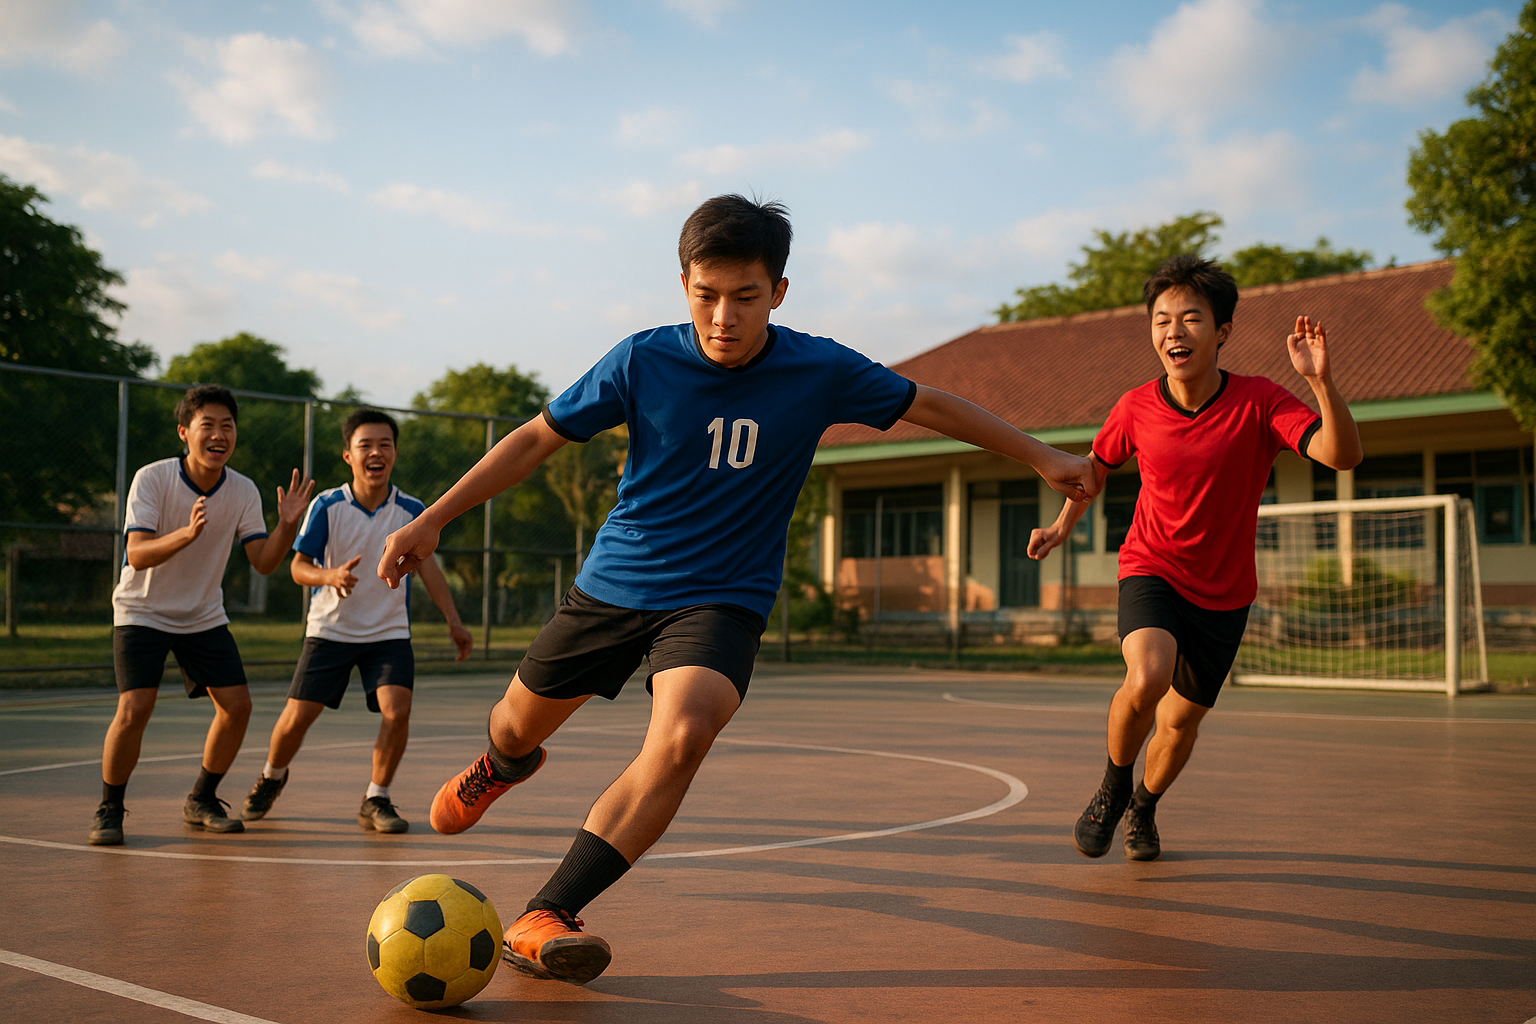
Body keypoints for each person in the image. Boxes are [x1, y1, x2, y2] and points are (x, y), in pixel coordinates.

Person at [374, 194, 1100, 985]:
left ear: (778, 292)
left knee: (685, 732)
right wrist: (433, 518)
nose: (724, 317)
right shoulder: (641, 360)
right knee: (515, 727)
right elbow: (536, 438)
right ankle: (504, 766)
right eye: (705, 295)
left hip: (724, 596)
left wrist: (1038, 456)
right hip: (616, 582)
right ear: (682, 284)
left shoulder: (818, 369)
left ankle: (548, 912)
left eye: (745, 297)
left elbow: (926, 403)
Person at [1028, 255, 1363, 862]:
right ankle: (1112, 788)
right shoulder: (1134, 407)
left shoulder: (1260, 402)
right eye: (1161, 320)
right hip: (1151, 566)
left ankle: (1145, 809)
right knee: (1148, 675)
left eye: (1190, 319)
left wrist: (1319, 381)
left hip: (1226, 592)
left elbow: (1341, 455)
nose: (1173, 332)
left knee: (1181, 726)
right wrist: (1060, 527)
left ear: (1222, 333)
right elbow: (1092, 473)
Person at [90, 385, 312, 846]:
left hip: (202, 616)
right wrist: (184, 536)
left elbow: (264, 562)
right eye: (207, 425)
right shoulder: (152, 479)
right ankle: (110, 808)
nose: (218, 434)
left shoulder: (243, 490)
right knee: (135, 708)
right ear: (184, 433)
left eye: (227, 426)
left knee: (237, 707)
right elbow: (136, 552)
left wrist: (288, 523)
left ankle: (202, 799)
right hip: (142, 611)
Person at [241, 408, 474, 833]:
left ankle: (376, 797)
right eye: (365, 445)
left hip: (387, 632)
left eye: (384, 444)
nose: (376, 452)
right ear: (348, 455)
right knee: (296, 717)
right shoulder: (328, 505)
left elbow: (429, 569)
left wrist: (454, 622)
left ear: (395, 454)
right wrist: (328, 576)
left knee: (396, 710)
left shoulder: (412, 510)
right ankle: (272, 776)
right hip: (331, 629)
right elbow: (297, 568)